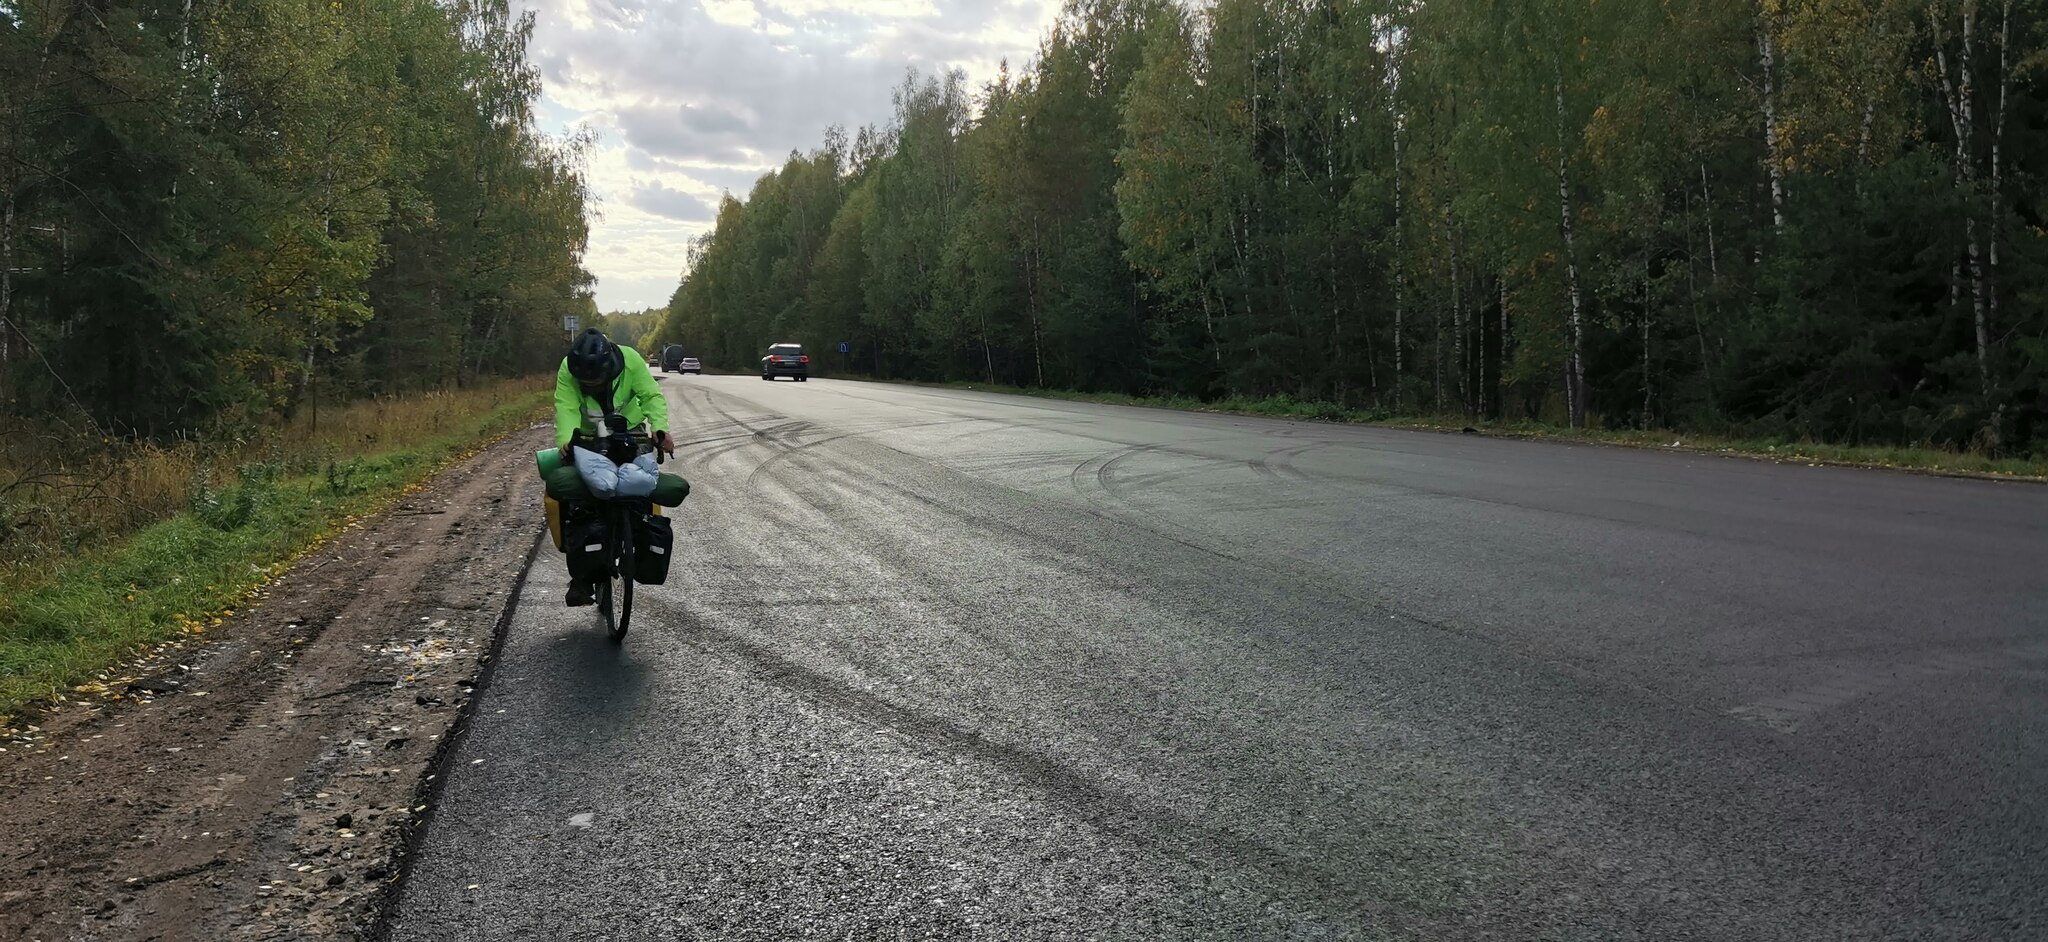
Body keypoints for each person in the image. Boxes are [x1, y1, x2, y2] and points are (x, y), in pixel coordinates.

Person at [547, 328, 678, 606]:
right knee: (579, 501)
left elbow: (651, 396)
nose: (590, 385)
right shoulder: (568, 370)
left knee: (638, 490)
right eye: (585, 381)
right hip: (587, 436)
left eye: (595, 380)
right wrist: (566, 441)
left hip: (630, 431)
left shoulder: (630, 360)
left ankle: (640, 538)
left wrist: (660, 429)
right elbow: (566, 406)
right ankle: (581, 578)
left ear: (608, 369)